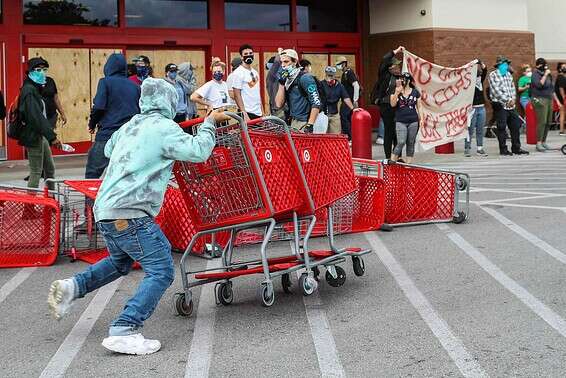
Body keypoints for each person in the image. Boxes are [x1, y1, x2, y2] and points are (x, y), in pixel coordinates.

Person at [47, 77, 229, 355]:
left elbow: (110, 150)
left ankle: (72, 287)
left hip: (105, 209)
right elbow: (199, 151)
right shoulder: (165, 128)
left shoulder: (129, 126)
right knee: (162, 269)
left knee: (120, 262)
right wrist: (209, 123)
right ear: (169, 102)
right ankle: (125, 327)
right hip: (130, 212)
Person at [86, 53, 140, 180]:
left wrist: (92, 124)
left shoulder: (105, 82)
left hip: (107, 135)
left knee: (92, 173)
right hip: (129, 137)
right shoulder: (135, 87)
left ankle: (90, 200)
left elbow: (99, 107)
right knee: (123, 175)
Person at [18, 57, 62, 190]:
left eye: (44, 69)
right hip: (33, 136)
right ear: (30, 72)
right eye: (38, 70)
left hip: (40, 135)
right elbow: (36, 117)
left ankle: (51, 201)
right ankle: (29, 209)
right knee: (36, 172)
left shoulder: (36, 89)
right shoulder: (29, 91)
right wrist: (52, 137)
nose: (42, 72)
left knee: (49, 169)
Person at [488, 56, 529, 156]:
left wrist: (513, 99)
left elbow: (512, 88)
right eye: (504, 64)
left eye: (507, 64)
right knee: (501, 127)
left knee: (515, 126)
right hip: (500, 105)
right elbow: (496, 91)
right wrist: (508, 100)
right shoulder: (493, 75)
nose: (506, 66)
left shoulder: (508, 75)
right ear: (499, 65)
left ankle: (516, 148)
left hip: (511, 106)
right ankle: (503, 149)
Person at [274, 49, 322, 132]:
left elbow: (316, 102)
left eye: (286, 62)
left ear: (295, 61)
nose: (283, 65)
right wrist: (281, 83)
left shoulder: (305, 78)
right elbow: (278, 104)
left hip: (304, 122)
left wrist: (310, 124)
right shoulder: (288, 80)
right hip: (293, 121)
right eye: (281, 62)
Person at [374, 46, 404, 158]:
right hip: (386, 106)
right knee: (389, 131)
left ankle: (397, 156)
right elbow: (384, 59)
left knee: (398, 132)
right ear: (390, 67)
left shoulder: (401, 77)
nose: (398, 66)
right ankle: (388, 157)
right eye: (396, 65)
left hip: (398, 106)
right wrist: (396, 51)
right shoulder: (385, 75)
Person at [390, 73, 421, 164]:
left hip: (413, 120)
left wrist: (421, 118)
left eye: (404, 79)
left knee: (411, 142)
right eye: (401, 79)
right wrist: (397, 92)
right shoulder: (396, 90)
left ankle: (409, 164)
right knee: (401, 141)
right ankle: (392, 160)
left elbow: (419, 106)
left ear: (409, 81)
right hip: (400, 120)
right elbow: (392, 104)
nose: (402, 80)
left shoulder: (415, 92)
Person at [231, 44, 263, 122]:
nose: (249, 55)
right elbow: (236, 94)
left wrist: (263, 111)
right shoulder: (238, 72)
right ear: (241, 57)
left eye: (250, 53)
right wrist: (244, 113)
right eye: (245, 54)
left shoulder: (255, 72)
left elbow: (257, 93)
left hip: (258, 113)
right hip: (247, 112)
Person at [464, 60, 488, 157]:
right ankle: (467, 148)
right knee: (470, 129)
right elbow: (465, 72)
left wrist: (480, 62)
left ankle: (479, 148)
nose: (479, 77)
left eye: (479, 75)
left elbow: (485, 70)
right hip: (472, 109)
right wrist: (471, 65)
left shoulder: (480, 82)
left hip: (481, 108)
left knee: (480, 129)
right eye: (477, 75)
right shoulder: (469, 84)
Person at [321, 66, 354, 134]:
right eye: (328, 75)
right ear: (326, 75)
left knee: (336, 135)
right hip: (323, 114)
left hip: (334, 114)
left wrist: (353, 109)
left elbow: (346, 98)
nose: (329, 77)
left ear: (334, 76)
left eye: (331, 75)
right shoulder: (321, 84)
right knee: (322, 135)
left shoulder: (339, 86)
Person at [531, 58, 554, 152]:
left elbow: (552, 87)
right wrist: (545, 74)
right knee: (542, 121)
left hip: (549, 99)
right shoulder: (535, 74)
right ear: (538, 65)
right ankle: (538, 143)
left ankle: (544, 141)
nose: (544, 67)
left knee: (548, 121)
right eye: (542, 65)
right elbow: (539, 85)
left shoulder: (548, 74)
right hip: (539, 99)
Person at [336, 56, 360, 139]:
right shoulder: (344, 74)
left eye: (339, 64)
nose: (338, 66)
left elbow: (356, 85)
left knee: (344, 117)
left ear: (344, 64)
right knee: (348, 118)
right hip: (346, 100)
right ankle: (350, 137)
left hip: (349, 100)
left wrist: (355, 100)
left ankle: (349, 137)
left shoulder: (349, 72)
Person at [266, 50, 285, 118]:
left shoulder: (275, 77)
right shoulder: (272, 76)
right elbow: (276, 63)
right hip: (279, 111)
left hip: (277, 110)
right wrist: (280, 53)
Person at [554, 62, 566, 136]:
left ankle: (562, 130)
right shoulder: (561, 77)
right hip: (562, 99)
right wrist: (564, 98)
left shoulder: (561, 77)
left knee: (563, 114)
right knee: (562, 114)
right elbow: (561, 89)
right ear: (560, 69)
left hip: (561, 99)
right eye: (564, 67)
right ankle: (561, 130)